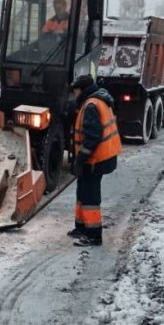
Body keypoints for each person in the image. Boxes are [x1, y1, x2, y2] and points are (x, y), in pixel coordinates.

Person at [68, 74, 122, 247]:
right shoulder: (95, 101)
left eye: (75, 91)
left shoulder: (91, 105)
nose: (74, 95)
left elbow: (92, 137)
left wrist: (80, 159)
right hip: (95, 158)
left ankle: (93, 235)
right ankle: (82, 227)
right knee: (82, 190)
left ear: (81, 90)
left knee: (90, 196)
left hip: (97, 159)